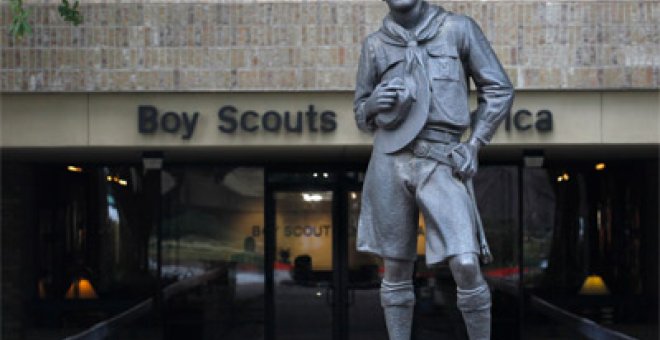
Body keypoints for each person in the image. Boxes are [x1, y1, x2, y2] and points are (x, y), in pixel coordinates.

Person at [353, 1, 514, 339]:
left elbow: (498, 89)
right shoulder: (375, 44)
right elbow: (360, 111)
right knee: (395, 266)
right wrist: (372, 105)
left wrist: (474, 143)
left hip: (441, 157)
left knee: (466, 264)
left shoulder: (457, 29)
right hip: (390, 159)